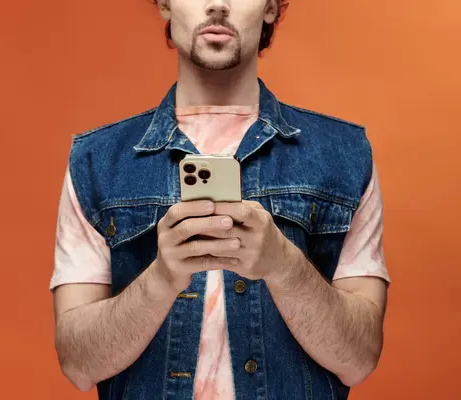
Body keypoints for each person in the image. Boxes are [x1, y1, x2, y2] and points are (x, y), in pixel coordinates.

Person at [50, 1, 390, 399]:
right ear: (164, 4)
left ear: (270, 8)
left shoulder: (344, 156)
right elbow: (78, 365)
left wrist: (283, 265)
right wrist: (162, 279)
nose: (217, 4)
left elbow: (359, 358)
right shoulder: (96, 163)